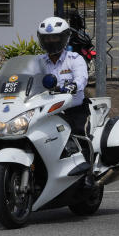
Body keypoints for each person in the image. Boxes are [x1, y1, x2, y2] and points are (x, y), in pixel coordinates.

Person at [37, 16, 90, 152]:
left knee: (80, 135)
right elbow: (27, 78)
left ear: (64, 38)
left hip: (73, 109)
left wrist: (73, 86)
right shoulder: (38, 62)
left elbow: (81, 79)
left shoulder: (74, 59)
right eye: (47, 38)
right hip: (46, 110)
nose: (50, 42)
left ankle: (88, 168)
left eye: (55, 38)